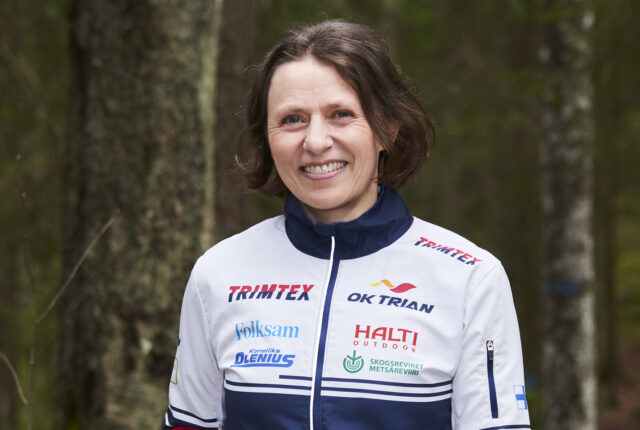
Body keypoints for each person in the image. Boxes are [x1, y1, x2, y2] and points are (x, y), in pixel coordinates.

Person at [163, 19, 530, 430]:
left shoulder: (470, 279)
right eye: (292, 119)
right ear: (267, 137)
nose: (316, 141)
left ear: (387, 128)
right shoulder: (218, 273)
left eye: (340, 114)